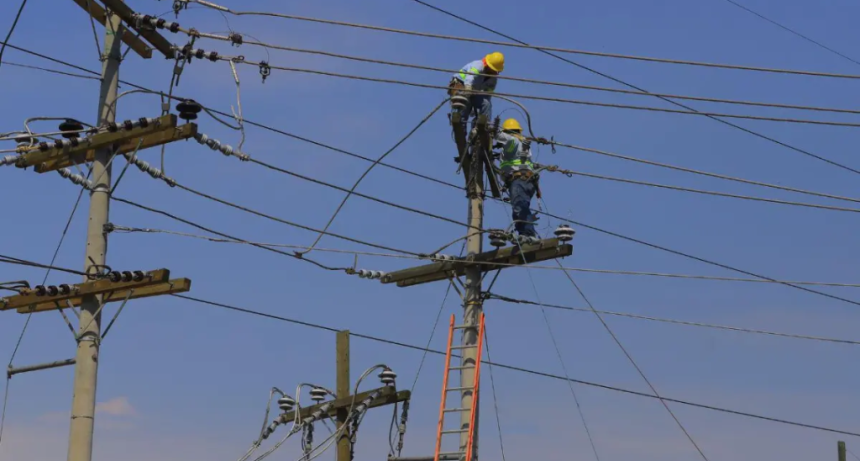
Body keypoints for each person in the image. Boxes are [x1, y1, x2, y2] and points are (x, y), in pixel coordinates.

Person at [494, 118, 540, 244]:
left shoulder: (512, 140)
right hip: (527, 182)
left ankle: (528, 234)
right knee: (518, 207)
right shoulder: (522, 143)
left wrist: (493, 129)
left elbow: (499, 136)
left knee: (519, 206)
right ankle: (523, 234)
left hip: (519, 181)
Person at [448, 52, 505, 137]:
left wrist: (480, 109)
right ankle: (461, 129)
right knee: (465, 103)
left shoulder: (493, 79)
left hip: (474, 91)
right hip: (461, 85)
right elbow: (470, 77)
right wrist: (467, 88)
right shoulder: (478, 65)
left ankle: (484, 127)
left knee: (486, 104)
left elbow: (487, 95)